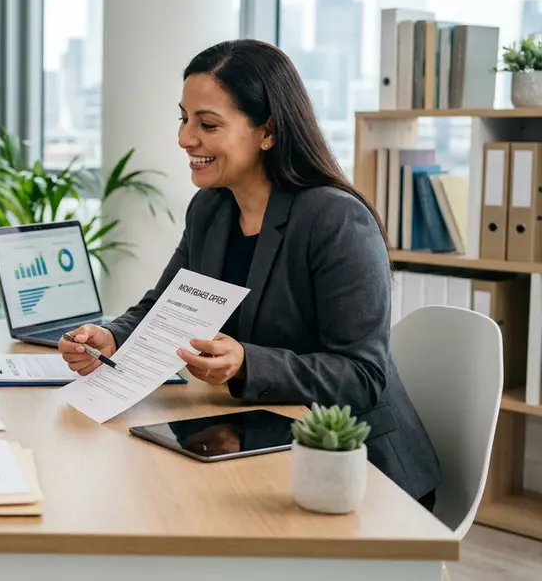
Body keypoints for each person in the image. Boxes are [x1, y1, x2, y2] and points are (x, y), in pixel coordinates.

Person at [59, 39, 442, 509]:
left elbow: (362, 375)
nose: (184, 138)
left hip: (358, 468)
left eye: (208, 124)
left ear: (268, 132)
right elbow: (164, 308)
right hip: (259, 438)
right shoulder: (211, 208)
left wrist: (245, 363)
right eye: (184, 119)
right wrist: (112, 336)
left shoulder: (335, 220)